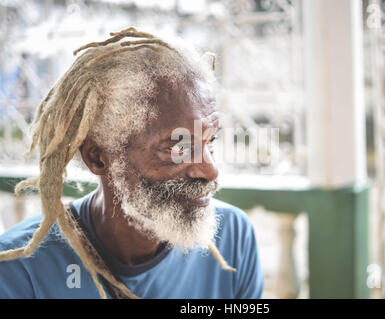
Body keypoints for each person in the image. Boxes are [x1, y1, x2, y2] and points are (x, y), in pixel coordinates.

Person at [0, 27, 264, 298]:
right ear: (97, 157)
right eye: (179, 147)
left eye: (210, 141)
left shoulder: (232, 237)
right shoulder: (18, 272)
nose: (210, 170)